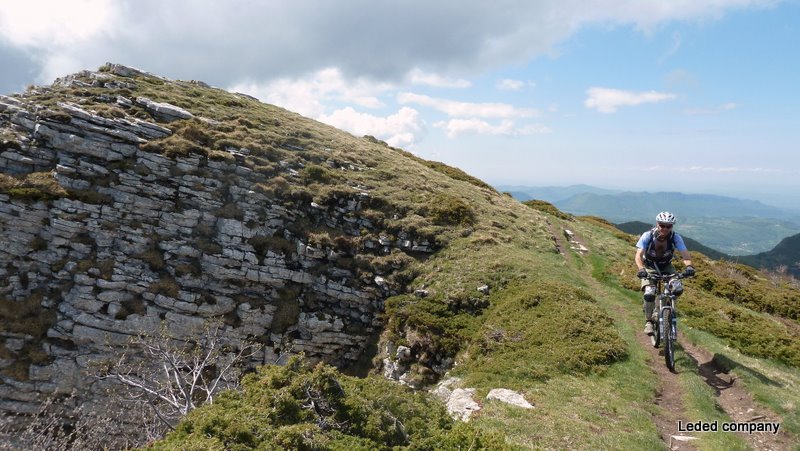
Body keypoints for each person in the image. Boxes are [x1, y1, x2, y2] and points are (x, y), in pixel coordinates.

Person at [634, 211, 695, 335]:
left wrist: (689, 267)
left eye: (669, 226)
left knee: (677, 288)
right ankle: (649, 321)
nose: (665, 229)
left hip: (667, 266)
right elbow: (638, 255)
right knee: (650, 293)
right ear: (657, 224)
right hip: (650, 266)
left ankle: (664, 308)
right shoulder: (648, 236)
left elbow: (685, 255)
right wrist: (641, 269)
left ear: (672, 226)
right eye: (662, 225)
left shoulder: (675, 237)